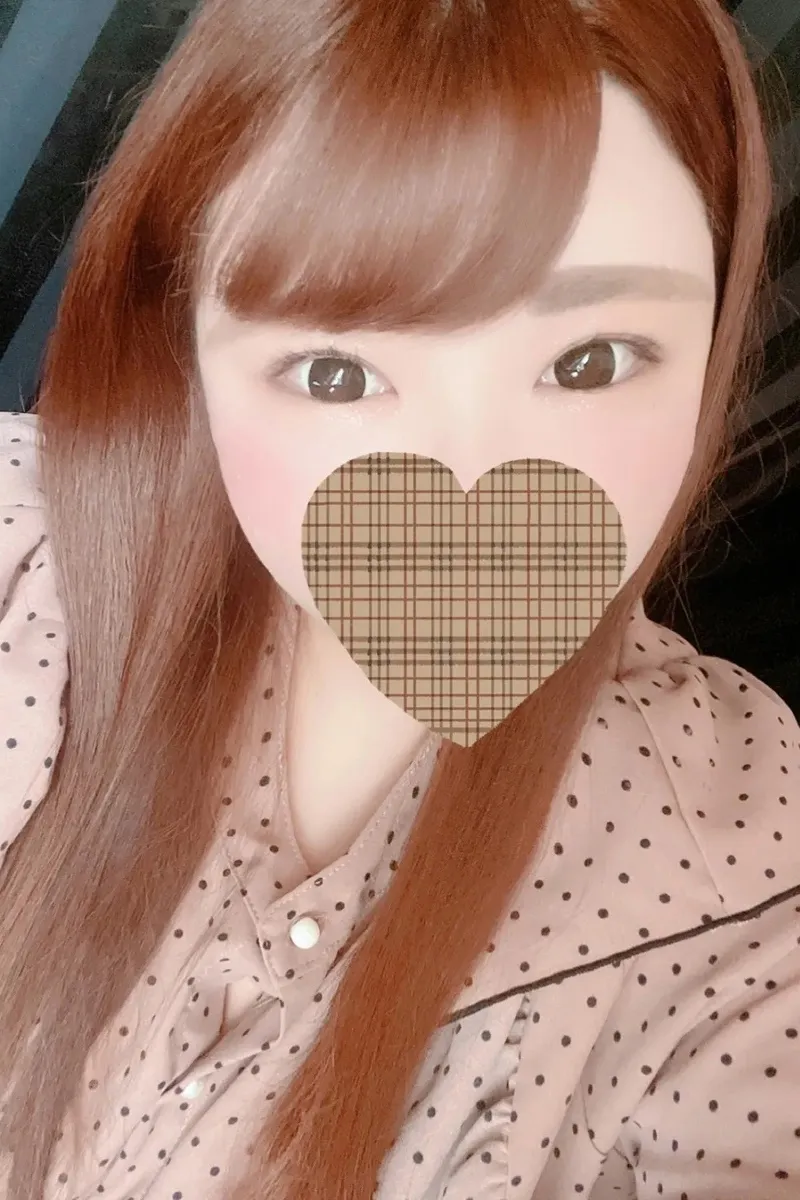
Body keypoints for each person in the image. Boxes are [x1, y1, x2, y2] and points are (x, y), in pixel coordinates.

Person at [0, 0, 798, 1197]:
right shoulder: (22, 561)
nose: (469, 492)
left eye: (588, 361)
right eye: (336, 372)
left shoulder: (734, 853)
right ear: (186, 355)